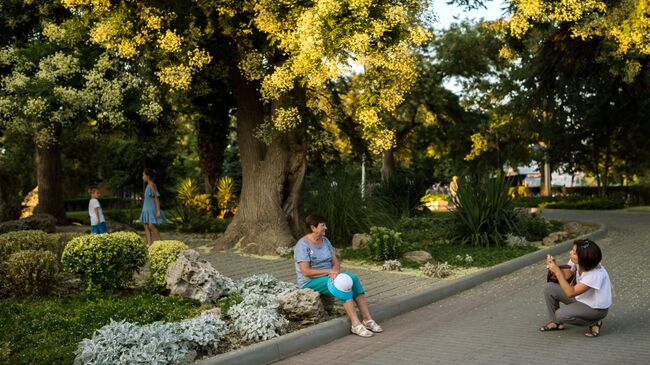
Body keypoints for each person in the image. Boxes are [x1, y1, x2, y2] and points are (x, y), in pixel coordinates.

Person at [294, 214, 383, 337]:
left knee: (353, 278)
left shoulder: (325, 241)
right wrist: (329, 272)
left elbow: (335, 261)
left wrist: (334, 271)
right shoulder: (302, 245)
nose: (326, 228)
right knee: (342, 284)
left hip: (329, 275)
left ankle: (367, 319)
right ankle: (355, 324)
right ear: (313, 228)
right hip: (310, 280)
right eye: (322, 225)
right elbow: (306, 271)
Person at [540, 238, 612, 337]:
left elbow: (571, 292)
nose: (570, 253)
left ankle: (594, 323)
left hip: (595, 309)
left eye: (574, 253)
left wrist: (557, 272)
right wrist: (556, 267)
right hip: (581, 299)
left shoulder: (595, 275)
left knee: (561, 314)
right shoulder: (580, 262)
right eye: (572, 250)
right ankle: (556, 323)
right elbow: (567, 274)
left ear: (583, 258)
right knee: (549, 288)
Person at [140, 168, 165, 245]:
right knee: (146, 226)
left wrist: (158, 210)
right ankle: (149, 244)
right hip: (146, 209)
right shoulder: (148, 185)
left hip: (151, 209)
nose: (142, 177)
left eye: (143, 175)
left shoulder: (151, 185)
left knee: (151, 225)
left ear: (148, 176)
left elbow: (156, 197)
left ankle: (161, 242)